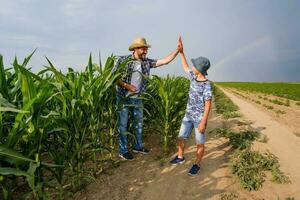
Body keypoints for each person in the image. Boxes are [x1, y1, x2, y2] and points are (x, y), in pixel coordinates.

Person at [114, 37, 182, 160]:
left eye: (146, 48)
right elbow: (114, 76)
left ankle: (137, 146)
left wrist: (177, 51)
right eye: (143, 48)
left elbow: (164, 61)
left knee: (139, 123)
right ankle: (123, 151)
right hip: (123, 97)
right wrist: (126, 85)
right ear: (135, 48)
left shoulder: (146, 62)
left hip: (138, 98)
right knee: (123, 125)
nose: (145, 50)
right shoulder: (123, 60)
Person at [170, 37, 212, 176]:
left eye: (195, 65)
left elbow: (207, 105)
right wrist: (181, 52)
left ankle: (197, 164)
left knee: (199, 143)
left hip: (199, 118)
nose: (192, 67)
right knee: (181, 137)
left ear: (199, 69)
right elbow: (185, 66)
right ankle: (180, 157)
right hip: (188, 116)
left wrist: (203, 123)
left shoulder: (206, 85)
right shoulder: (193, 77)